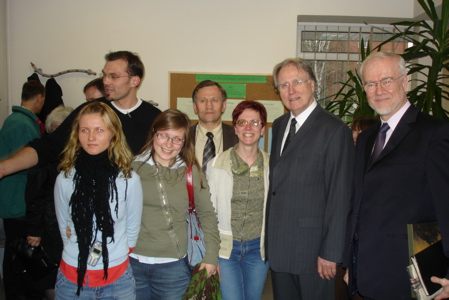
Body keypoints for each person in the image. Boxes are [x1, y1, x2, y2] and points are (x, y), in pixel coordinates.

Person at [343, 51, 449, 300]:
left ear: (404, 82)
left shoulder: (434, 133)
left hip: (409, 275)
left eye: (386, 80)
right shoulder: (367, 138)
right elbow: (357, 203)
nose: (379, 89)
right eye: (371, 83)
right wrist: (351, 262)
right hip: (366, 271)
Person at [266, 58, 354, 299]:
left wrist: (331, 252)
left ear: (313, 85)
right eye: (283, 85)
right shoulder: (280, 125)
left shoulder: (335, 130)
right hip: (281, 247)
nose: (291, 90)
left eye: (297, 82)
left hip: (314, 252)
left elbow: (340, 195)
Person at [0, 50, 161, 180]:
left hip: (137, 208)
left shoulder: (155, 118)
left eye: (114, 76)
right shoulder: (90, 112)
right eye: (104, 75)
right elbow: (48, 147)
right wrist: (4, 168)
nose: (106, 81)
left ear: (134, 81)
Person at [54, 101, 143, 299]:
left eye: (99, 130)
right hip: (71, 278)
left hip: (117, 279)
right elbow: (63, 226)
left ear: (113, 135)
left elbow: (132, 227)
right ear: (77, 134)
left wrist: (114, 255)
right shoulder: (65, 179)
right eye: (84, 130)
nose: (91, 137)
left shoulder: (128, 180)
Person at [130, 109, 220, 299]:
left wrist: (211, 256)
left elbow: (207, 215)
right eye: (164, 136)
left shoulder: (191, 172)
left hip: (173, 267)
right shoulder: (132, 169)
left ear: (184, 142)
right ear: (154, 133)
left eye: (177, 139)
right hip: (132, 264)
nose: (169, 144)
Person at [206, 100, 270, 300]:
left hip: (257, 250)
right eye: (242, 123)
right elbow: (209, 214)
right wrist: (210, 254)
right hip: (226, 250)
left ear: (263, 129)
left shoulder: (273, 166)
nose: (248, 128)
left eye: (255, 122)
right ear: (235, 128)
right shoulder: (216, 165)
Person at [0, 80, 46, 299]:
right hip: (18, 200)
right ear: (39, 98)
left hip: (15, 198)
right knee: (17, 254)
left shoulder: (16, 120)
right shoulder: (22, 124)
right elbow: (28, 165)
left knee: (16, 252)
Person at [25, 105, 73, 300]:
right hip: (48, 223)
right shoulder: (44, 153)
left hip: (66, 224)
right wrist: (34, 229)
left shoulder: (73, 153)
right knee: (51, 271)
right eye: (56, 128)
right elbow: (34, 194)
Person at [191, 80, 238, 171]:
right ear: (195, 107)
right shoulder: (183, 137)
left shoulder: (238, 137)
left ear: (223, 105)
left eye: (214, 100)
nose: (209, 106)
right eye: (203, 100)